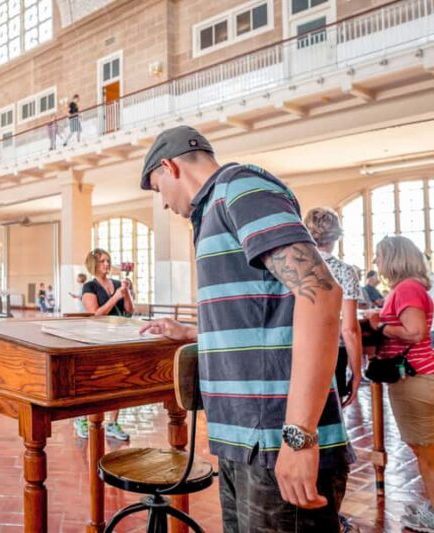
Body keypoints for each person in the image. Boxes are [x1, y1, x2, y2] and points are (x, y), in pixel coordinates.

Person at [139, 126, 352, 531]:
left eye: (157, 187)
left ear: (170, 166)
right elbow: (265, 313)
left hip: (276, 438)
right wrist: (192, 333)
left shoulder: (240, 188)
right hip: (245, 441)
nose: (163, 203)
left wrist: (299, 437)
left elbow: (321, 294)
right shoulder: (214, 210)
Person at [366, 236, 434, 531]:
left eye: (379, 256)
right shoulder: (410, 288)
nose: (376, 263)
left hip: (414, 378)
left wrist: (379, 325)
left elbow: (416, 332)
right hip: (421, 376)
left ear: (393, 258)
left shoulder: (406, 287)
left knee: (426, 453)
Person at [304, 207, 363, 407]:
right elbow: (349, 330)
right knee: (331, 420)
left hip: (297, 351)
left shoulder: (293, 270)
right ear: (336, 236)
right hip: (331, 353)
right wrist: (357, 372)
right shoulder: (345, 272)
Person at [75, 248, 134, 442]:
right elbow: (96, 314)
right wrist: (116, 297)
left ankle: (113, 423)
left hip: (118, 336)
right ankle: (82, 419)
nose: (107, 265)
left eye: (108, 261)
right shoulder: (89, 287)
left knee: (118, 381)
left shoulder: (116, 283)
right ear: (93, 265)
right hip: (97, 338)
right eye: (102, 261)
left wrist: (125, 294)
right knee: (94, 381)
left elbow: (129, 312)